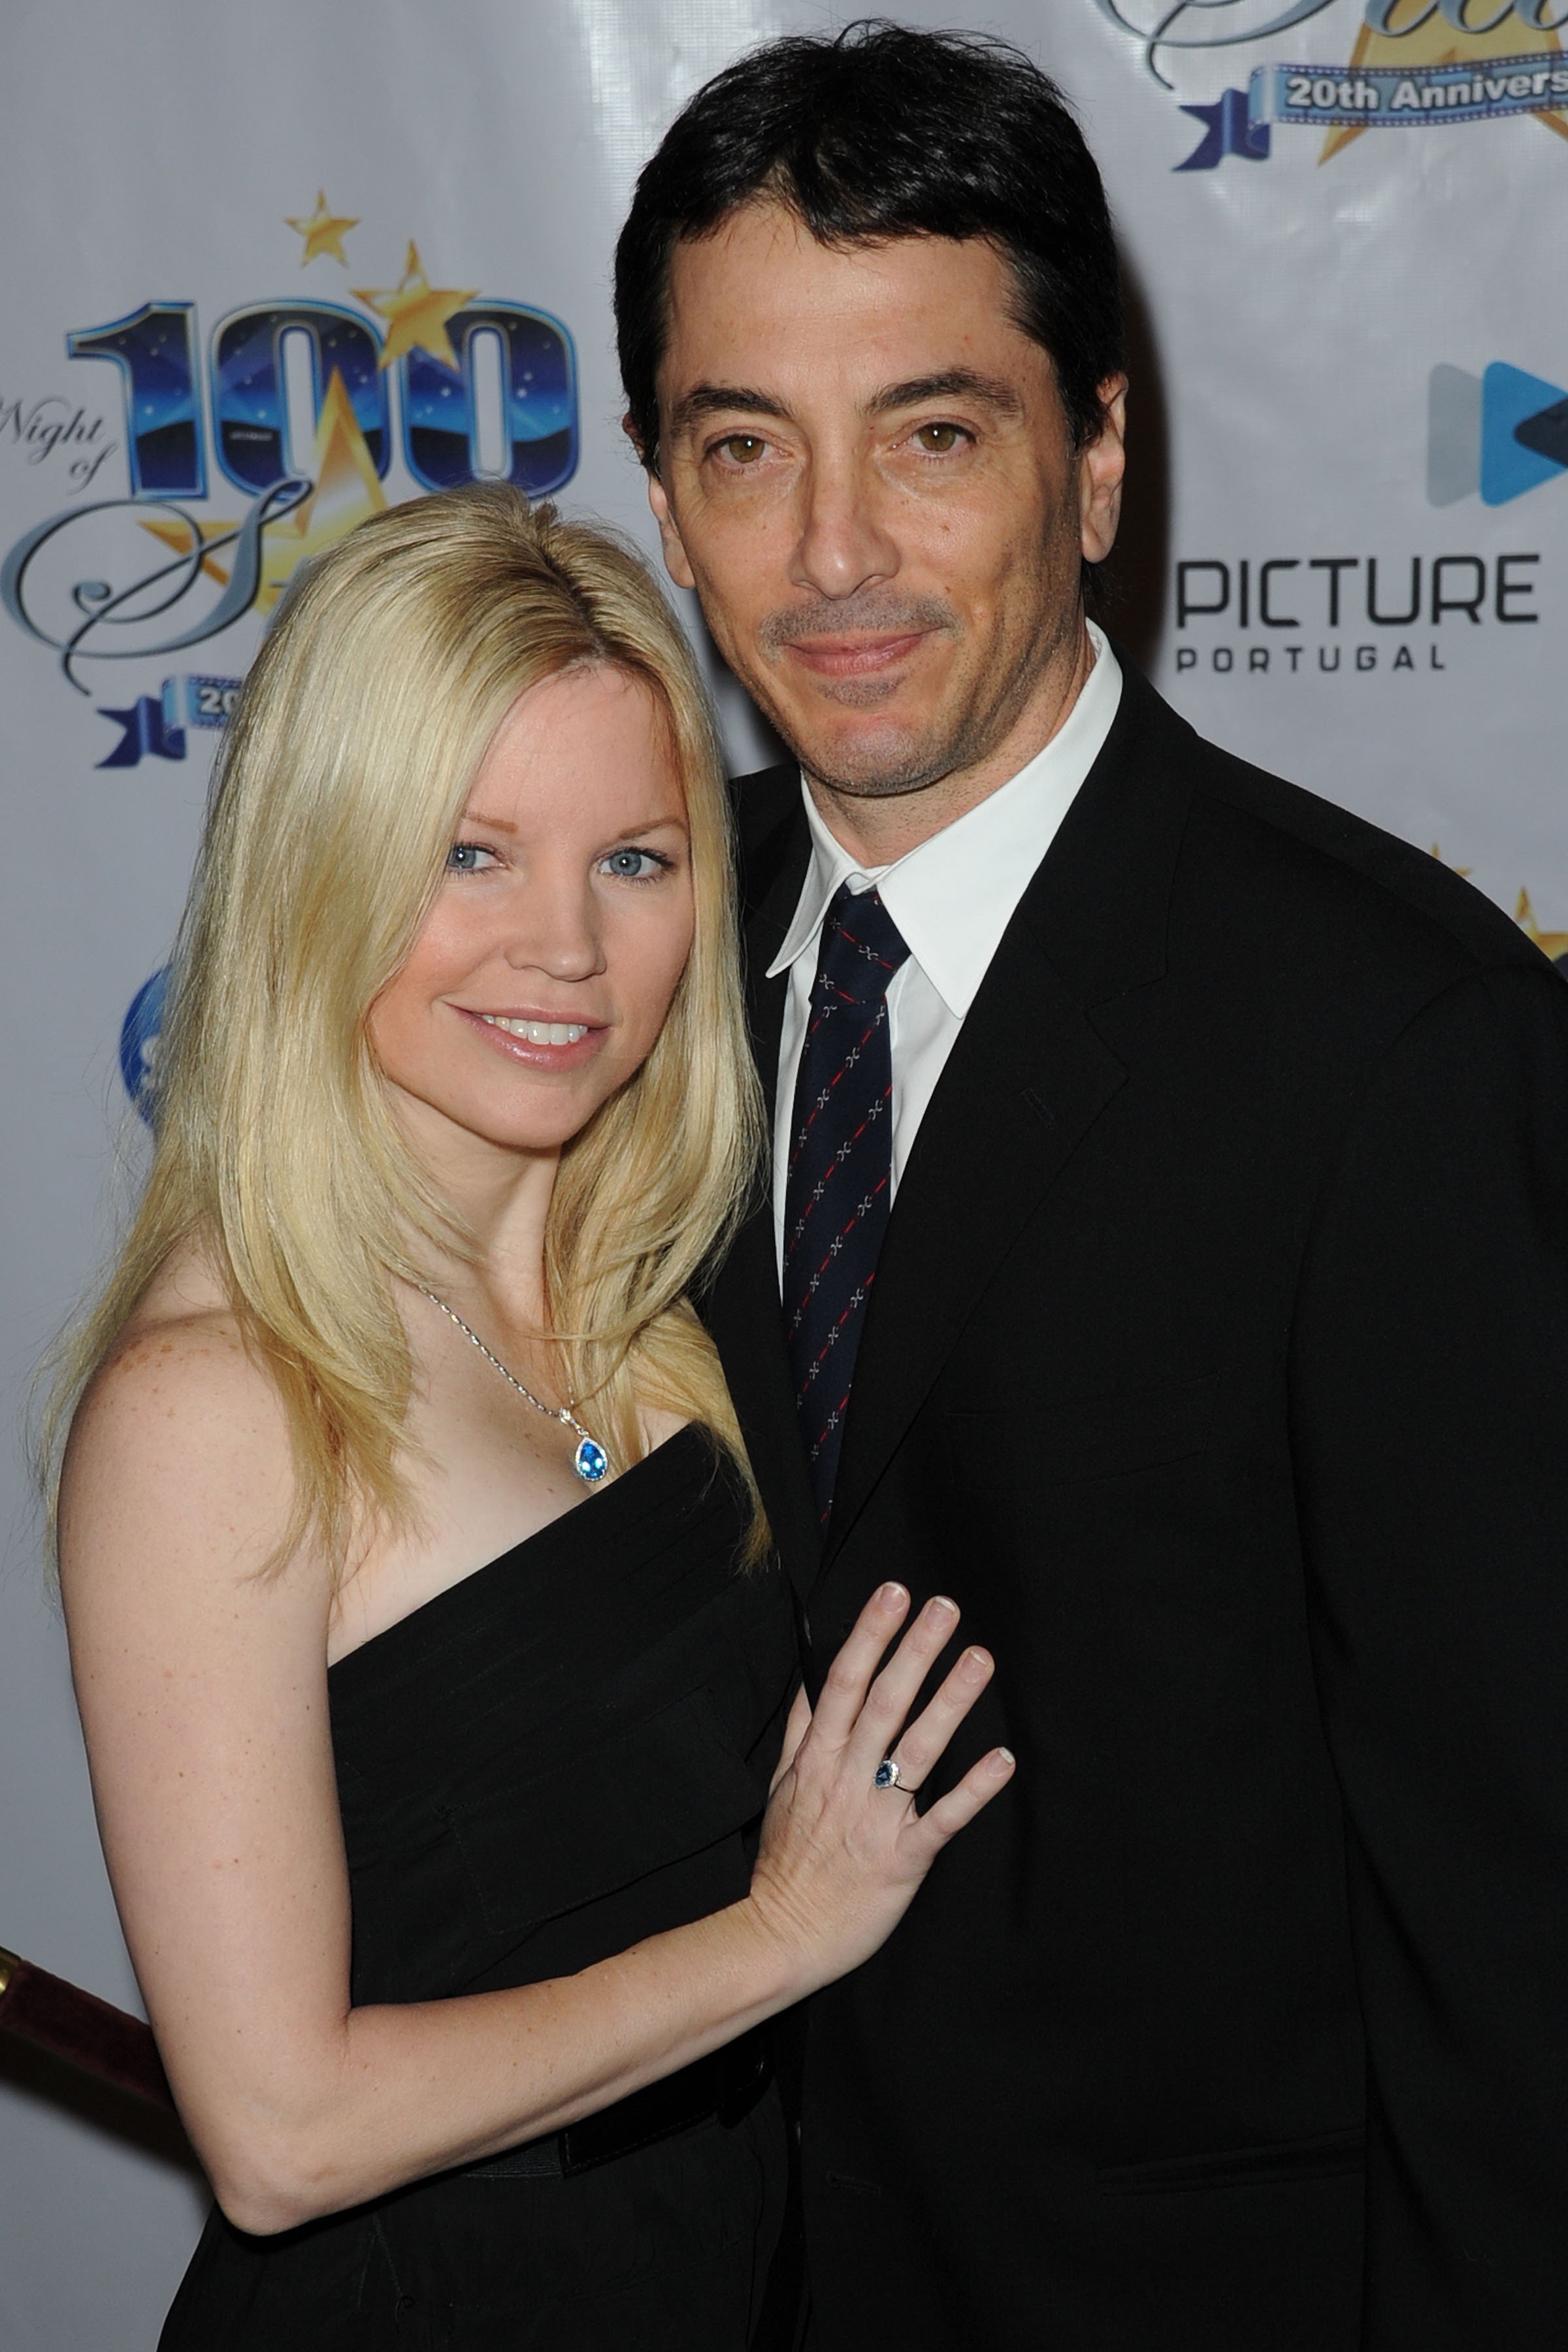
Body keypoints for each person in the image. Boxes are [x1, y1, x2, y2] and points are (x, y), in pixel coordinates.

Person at [613, 21, 1568, 2348]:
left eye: (933, 437)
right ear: (662, 503)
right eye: (746, 450)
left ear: (1103, 457)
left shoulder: (1399, 1045)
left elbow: (1520, 1937)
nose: (833, 555)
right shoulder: (613, 963)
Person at [46, 485, 1014, 2350]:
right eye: (471, 854)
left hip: (718, 2261)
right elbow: (278, 2133)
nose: (566, 948)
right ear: (320, 865)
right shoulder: (215, 1403)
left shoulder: (653, 1299)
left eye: (637, 861)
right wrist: (781, 1938)